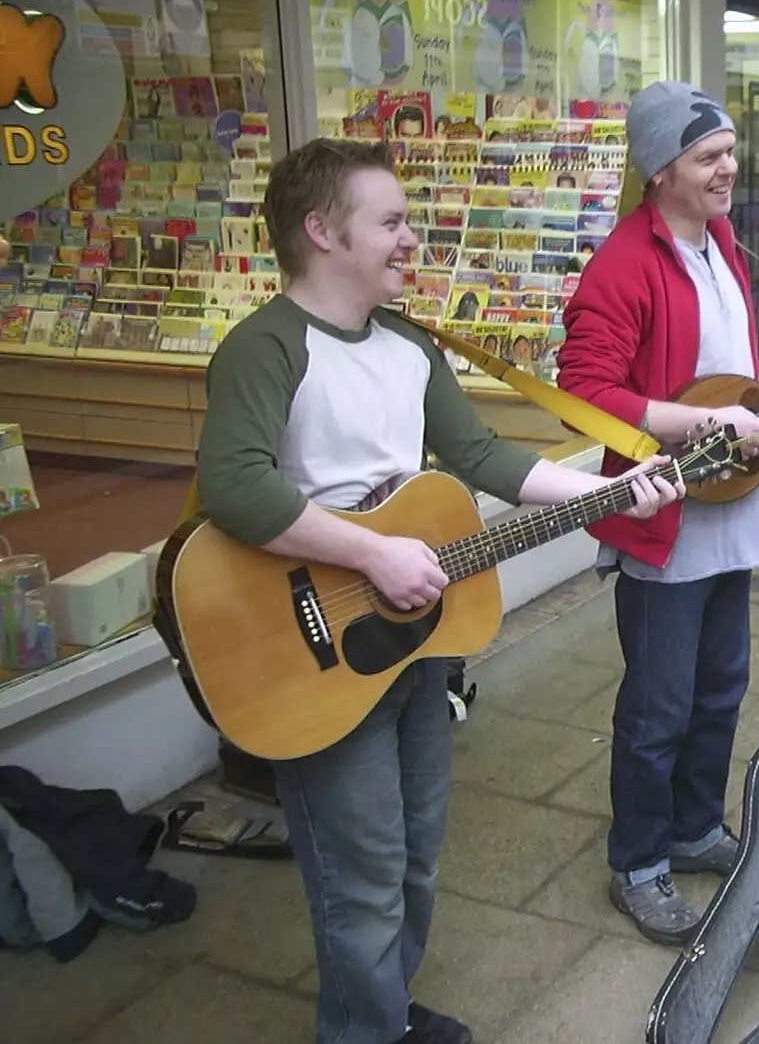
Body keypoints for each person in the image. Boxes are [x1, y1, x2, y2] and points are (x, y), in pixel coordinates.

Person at [192, 138, 684, 1044]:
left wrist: (612, 488)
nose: (410, 239)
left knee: (414, 857)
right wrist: (374, 556)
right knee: (361, 874)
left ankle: (379, 1012)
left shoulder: (411, 345)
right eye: (391, 221)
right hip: (306, 654)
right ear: (321, 231)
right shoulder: (263, 349)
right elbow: (235, 487)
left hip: (409, 647)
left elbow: (482, 457)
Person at [554, 81, 759, 945]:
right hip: (663, 513)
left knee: (721, 686)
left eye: (729, 152)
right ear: (662, 167)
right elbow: (582, 393)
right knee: (657, 705)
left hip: (728, 503)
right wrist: (706, 421)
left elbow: (723, 363)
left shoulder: (720, 242)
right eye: (710, 156)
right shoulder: (621, 264)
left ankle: (695, 825)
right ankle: (638, 861)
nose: (728, 169)